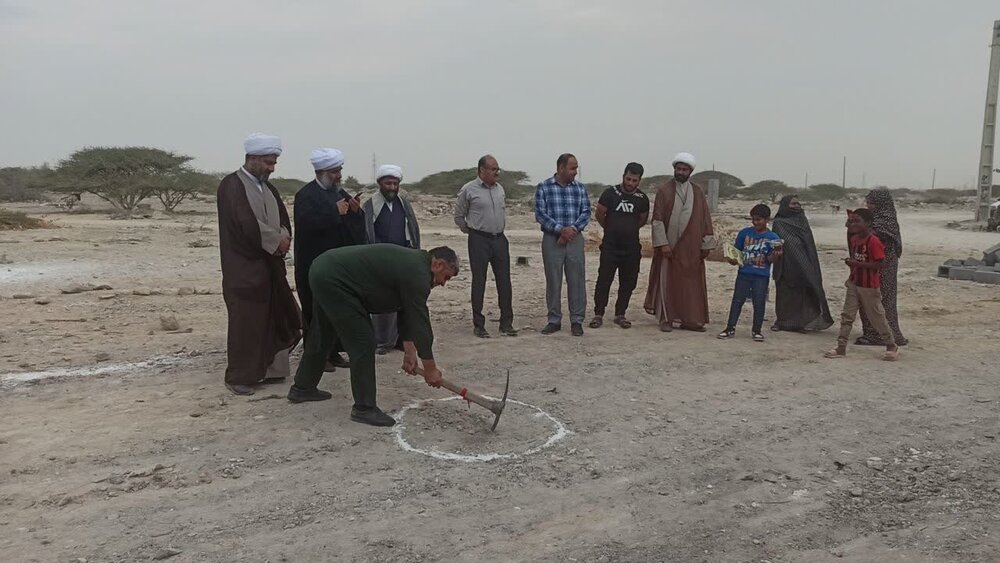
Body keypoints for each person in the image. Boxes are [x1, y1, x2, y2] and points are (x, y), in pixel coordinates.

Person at [287, 244, 458, 427]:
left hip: (325, 269)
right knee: (363, 342)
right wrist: (430, 368)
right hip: (336, 279)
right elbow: (420, 322)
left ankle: (303, 387)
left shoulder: (416, 266)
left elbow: (407, 312)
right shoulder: (418, 274)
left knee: (323, 331)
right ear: (438, 265)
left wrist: (410, 352)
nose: (443, 283)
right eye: (446, 277)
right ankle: (364, 408)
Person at [216, 133, 301, 395]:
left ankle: (272, 370)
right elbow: (245, 225)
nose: (271, 168)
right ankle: (240, 377)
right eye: (267, 162)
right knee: (247, 324)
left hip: (270, 269)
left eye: (273, 163)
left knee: (278, 317)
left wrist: (285, 237)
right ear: (252, 159)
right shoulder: (231, 186)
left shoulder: (269, 188)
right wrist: (276, 242)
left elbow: (284, 219)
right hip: (244, 270)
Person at [294, 148, 366, 370]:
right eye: (334, 171)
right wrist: (335, 212)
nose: (338, 175)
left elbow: (352, 223)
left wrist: (354, 211)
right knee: (314, 310)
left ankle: (333, 352)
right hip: (313, 263)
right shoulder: (305, 195)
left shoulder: (339, 192)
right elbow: (306, 225)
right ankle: (316, 357)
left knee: (334, 308)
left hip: (336, 265)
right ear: (321, 171)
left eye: (339, 170)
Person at [643, 152, 716, 332]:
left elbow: (705, 219)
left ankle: (690, 320)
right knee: (667, 281)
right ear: (674, 169)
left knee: (691, 284)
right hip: (670, 247)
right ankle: (666, 319)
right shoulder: (664, 190)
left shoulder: (698, 192)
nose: (681, 172)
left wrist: (706, 244)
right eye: (678, 169)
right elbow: (658, 220)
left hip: (692, 248)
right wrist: (663, 244)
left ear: (690, 172)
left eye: (684, 169)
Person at [824, 209, 899, 361]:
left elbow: (880, 264)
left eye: (857, 221)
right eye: (852, 221)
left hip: (869, 286)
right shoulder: (855, 239)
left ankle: (891, 344)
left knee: (877, 317)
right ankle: (841, 346)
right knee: (847, 316)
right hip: (854, 283)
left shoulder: (873, 241)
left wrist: (856, 263)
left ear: (869, 223)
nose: (853, 224)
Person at [455, 155, 516, 338]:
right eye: (493, 169)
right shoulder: (469, 189)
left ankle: (506, 323)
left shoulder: (500, 190)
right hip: (479, 240)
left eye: (498, 169)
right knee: (479, 281)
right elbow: (459, 216)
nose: (497, 172)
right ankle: (479, 325)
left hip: (499, 239)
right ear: (482, 170)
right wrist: (473, 232)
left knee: (504, 281)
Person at [362, 164, 421, 354]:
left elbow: (412, 229)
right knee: (382, 300)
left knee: (404, 300)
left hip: (403, 258)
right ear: (380, 184)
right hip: (380, 260)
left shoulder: (404, 203)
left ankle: (401, 339)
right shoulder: (370, 205)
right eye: (389, 183)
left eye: (396, 183)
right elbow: (367, 233)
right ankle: (381, 341)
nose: (393, 187)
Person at [534, 153, 591, 336]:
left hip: (575, 239)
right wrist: (560, 230)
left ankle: (576, 320)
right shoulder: (544, 187)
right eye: (572, 168)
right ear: (560, 168)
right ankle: (554, 320)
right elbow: (540, 214)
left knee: (577, 280)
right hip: (552, 239)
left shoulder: (580, 188)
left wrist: (571, 230)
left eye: (576, 168)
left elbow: (586, 212)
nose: (575, 172)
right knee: (553, 280)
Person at [589, 162, 649, 330]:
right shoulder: (610, 193)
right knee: (604, 280)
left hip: (631, 249)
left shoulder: (642, 199)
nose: (630, 183)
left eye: (634, 180)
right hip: (610, 247)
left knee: (628, 282)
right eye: (628, 179)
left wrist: (628, 229)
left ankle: (620, 314)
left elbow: (642, 220)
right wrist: (611, 228)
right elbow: (600, 214)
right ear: (623, 176)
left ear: (639, 181)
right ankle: (598, 314)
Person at [718, 204, 783, 341]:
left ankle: (756, 330)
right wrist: (732, 259)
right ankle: (730, 328)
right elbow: (738, 254)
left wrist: (777, 254)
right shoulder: (744, 233)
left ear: (767, 220)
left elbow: (771, 259)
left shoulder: (773, 237)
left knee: (759, 302)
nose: (755, 222)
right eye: (753, 219)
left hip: (761, 275)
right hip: (744, 273)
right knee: (737, 300)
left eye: (758, 219)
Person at [770, 195, 834, 332]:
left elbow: (808, 242)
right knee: (784, 293)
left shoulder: (802, 220)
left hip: (803, 262)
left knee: (802, 293)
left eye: (798, 203)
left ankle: (801, 323)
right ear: (785, 205)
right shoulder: (779, 222)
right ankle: (782, 322)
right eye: (793, 204)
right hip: (785, 264)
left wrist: (806, 261)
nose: (797, 206)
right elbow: (777, 243)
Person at [856, 188, 907, 346]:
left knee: (880, 300)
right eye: (868, 202)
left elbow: (873, 236)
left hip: (883, 267)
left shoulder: (885, 220)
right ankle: (876, 332)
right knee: (870, 299)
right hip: (871, 266)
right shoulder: (876, 218)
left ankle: (882, 335)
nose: (869, 206)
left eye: (872, 203)